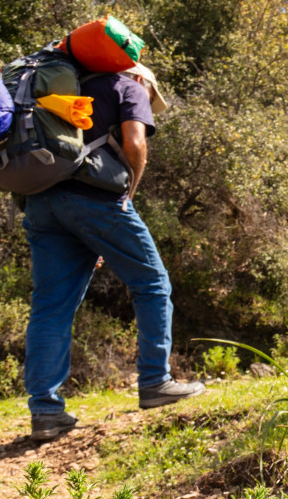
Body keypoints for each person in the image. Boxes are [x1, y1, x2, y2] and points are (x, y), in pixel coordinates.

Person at [22, 61, 204, 441]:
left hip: (40, 201)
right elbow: (136, 144)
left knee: (50, 306)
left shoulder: (68, 91)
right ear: (143, 81)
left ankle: (46, 411)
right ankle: (156, 381)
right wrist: (126, 197)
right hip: (94, 199)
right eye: (152, 99)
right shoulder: (129, 86)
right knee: (152, 283)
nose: (149, 104)